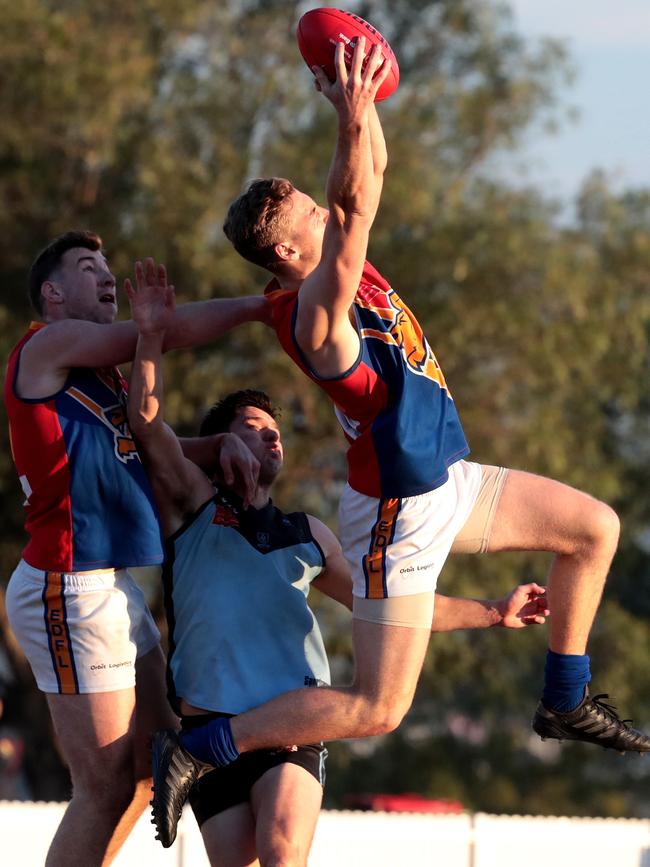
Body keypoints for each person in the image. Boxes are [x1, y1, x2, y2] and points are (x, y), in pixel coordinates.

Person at [152, 36, 650, 844]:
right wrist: (349, 113)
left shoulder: (297, 284)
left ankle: (565, 697)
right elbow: (353, 204)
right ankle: (204, 744)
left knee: (594, 527)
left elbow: (364, 180)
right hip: (395, 512)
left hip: (444, 478)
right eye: (308, 214)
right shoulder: (317, 312)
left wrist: (354, 96)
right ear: (288, 250)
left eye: (319, 204)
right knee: (376, 708)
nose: (323, 206)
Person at [125, 269, 549, 861]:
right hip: (203, 727)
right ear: (219, 445)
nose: (270, 440)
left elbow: (396, 611)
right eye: (252, 430)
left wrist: (492, 611)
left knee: (282, 849)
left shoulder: (308, 533)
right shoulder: (191, 506)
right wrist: (149, 337)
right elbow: (145, 425)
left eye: (275, 433)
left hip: (291, 719)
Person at [3, 230, 268, 867]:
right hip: (66, 587)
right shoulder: (47, 343)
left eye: (106, 266)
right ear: (53, 292)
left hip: (106, 587)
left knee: (158, 763)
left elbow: (152, 448)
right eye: (88, 267)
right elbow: (164, 331)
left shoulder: (102, 378)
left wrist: (218, 447)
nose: (105, 276)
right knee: (102, 787)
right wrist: (266, 307)